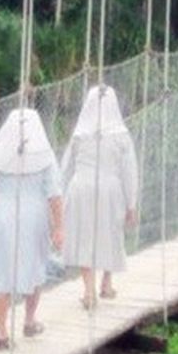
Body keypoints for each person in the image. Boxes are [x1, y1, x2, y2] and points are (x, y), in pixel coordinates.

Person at [0, 107, 63, 349]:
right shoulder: (44, 154)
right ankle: (29, 321)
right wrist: (59, 227)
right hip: (34, 213)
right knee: (34, 266)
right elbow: (54, 193)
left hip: (0, 214)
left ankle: (1, 333)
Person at [60, 85, 139, 310]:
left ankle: (88, 290)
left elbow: (66, 165)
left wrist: (59, 194)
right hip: (109, 189)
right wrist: (131, 203)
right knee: (110, 233)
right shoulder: (121, 136)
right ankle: (106, 282)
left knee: (86, 236)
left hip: (81, 187)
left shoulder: (80, 133)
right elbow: (129, 171)